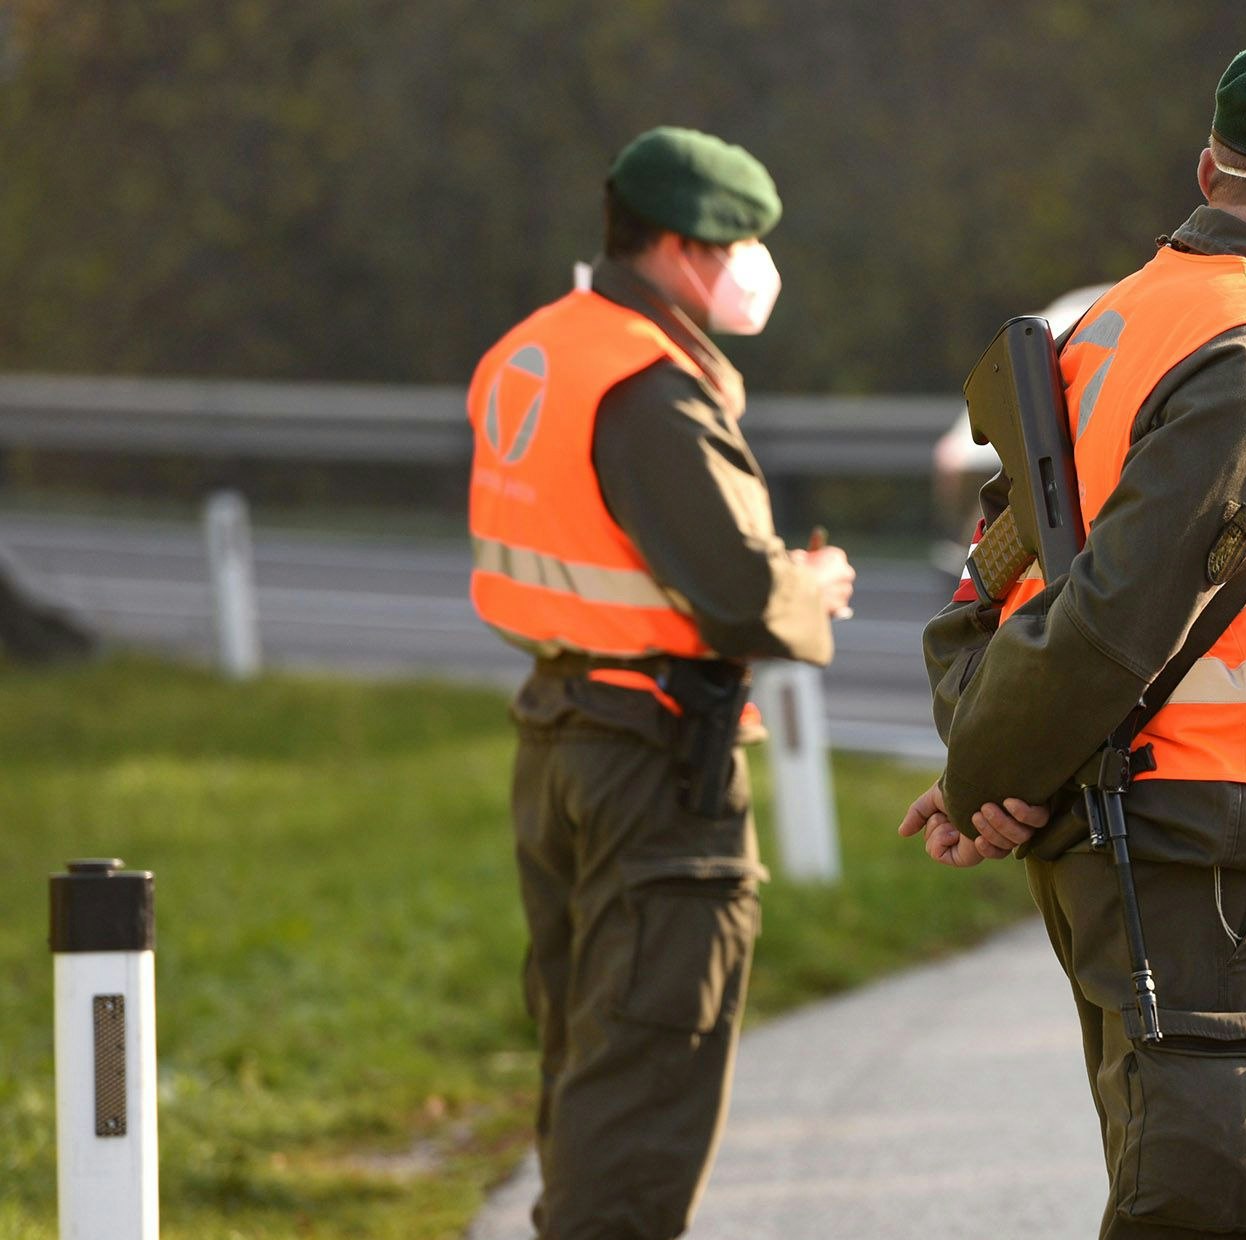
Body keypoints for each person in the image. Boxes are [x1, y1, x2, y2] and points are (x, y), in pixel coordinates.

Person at [902, 43, 1246, 1240]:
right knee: (1208, 1190)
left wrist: (993, 764)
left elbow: (986, 587)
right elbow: (1118, 616)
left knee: (1244, 1182)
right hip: (1191, 831)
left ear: (1207, 169)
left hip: (1129, 819)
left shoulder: (1109, 326)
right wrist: (989, 778)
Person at [465, 125, 855, 1239]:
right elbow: (734, 590)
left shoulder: (535, 349)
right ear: (682, 247)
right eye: (743, 244)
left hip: (558, 733)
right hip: (653, 763)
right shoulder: (649, 386)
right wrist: (811, 585)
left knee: (589, 1054)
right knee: (643, 1073)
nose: (756, 269)